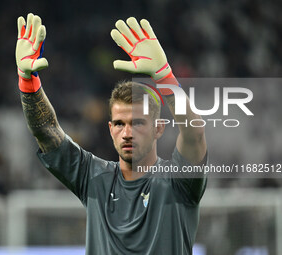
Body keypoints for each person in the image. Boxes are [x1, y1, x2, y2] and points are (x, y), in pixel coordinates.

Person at [15, 13, 207, 255]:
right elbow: (46, 132)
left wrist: (164, 76)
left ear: (159, 128)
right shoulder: (93, 177)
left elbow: (194, 134)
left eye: (138, 123)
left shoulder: (178, 182)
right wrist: (27, 82)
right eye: (119, 123)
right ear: (110, 129)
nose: (127, 132)